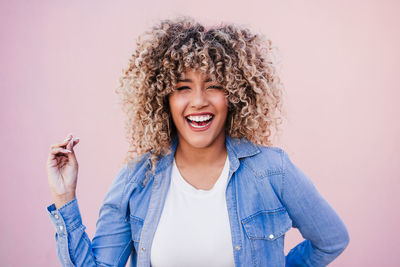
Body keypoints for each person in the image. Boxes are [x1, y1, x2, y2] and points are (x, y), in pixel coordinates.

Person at [46, 16, 349, 267]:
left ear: (235, 95)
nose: (199, 101)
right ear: (163, 97)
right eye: (183, 87)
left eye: (214, 86)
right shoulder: (136, 178)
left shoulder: (272, 170)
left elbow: (331, 240)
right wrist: (64, 198)